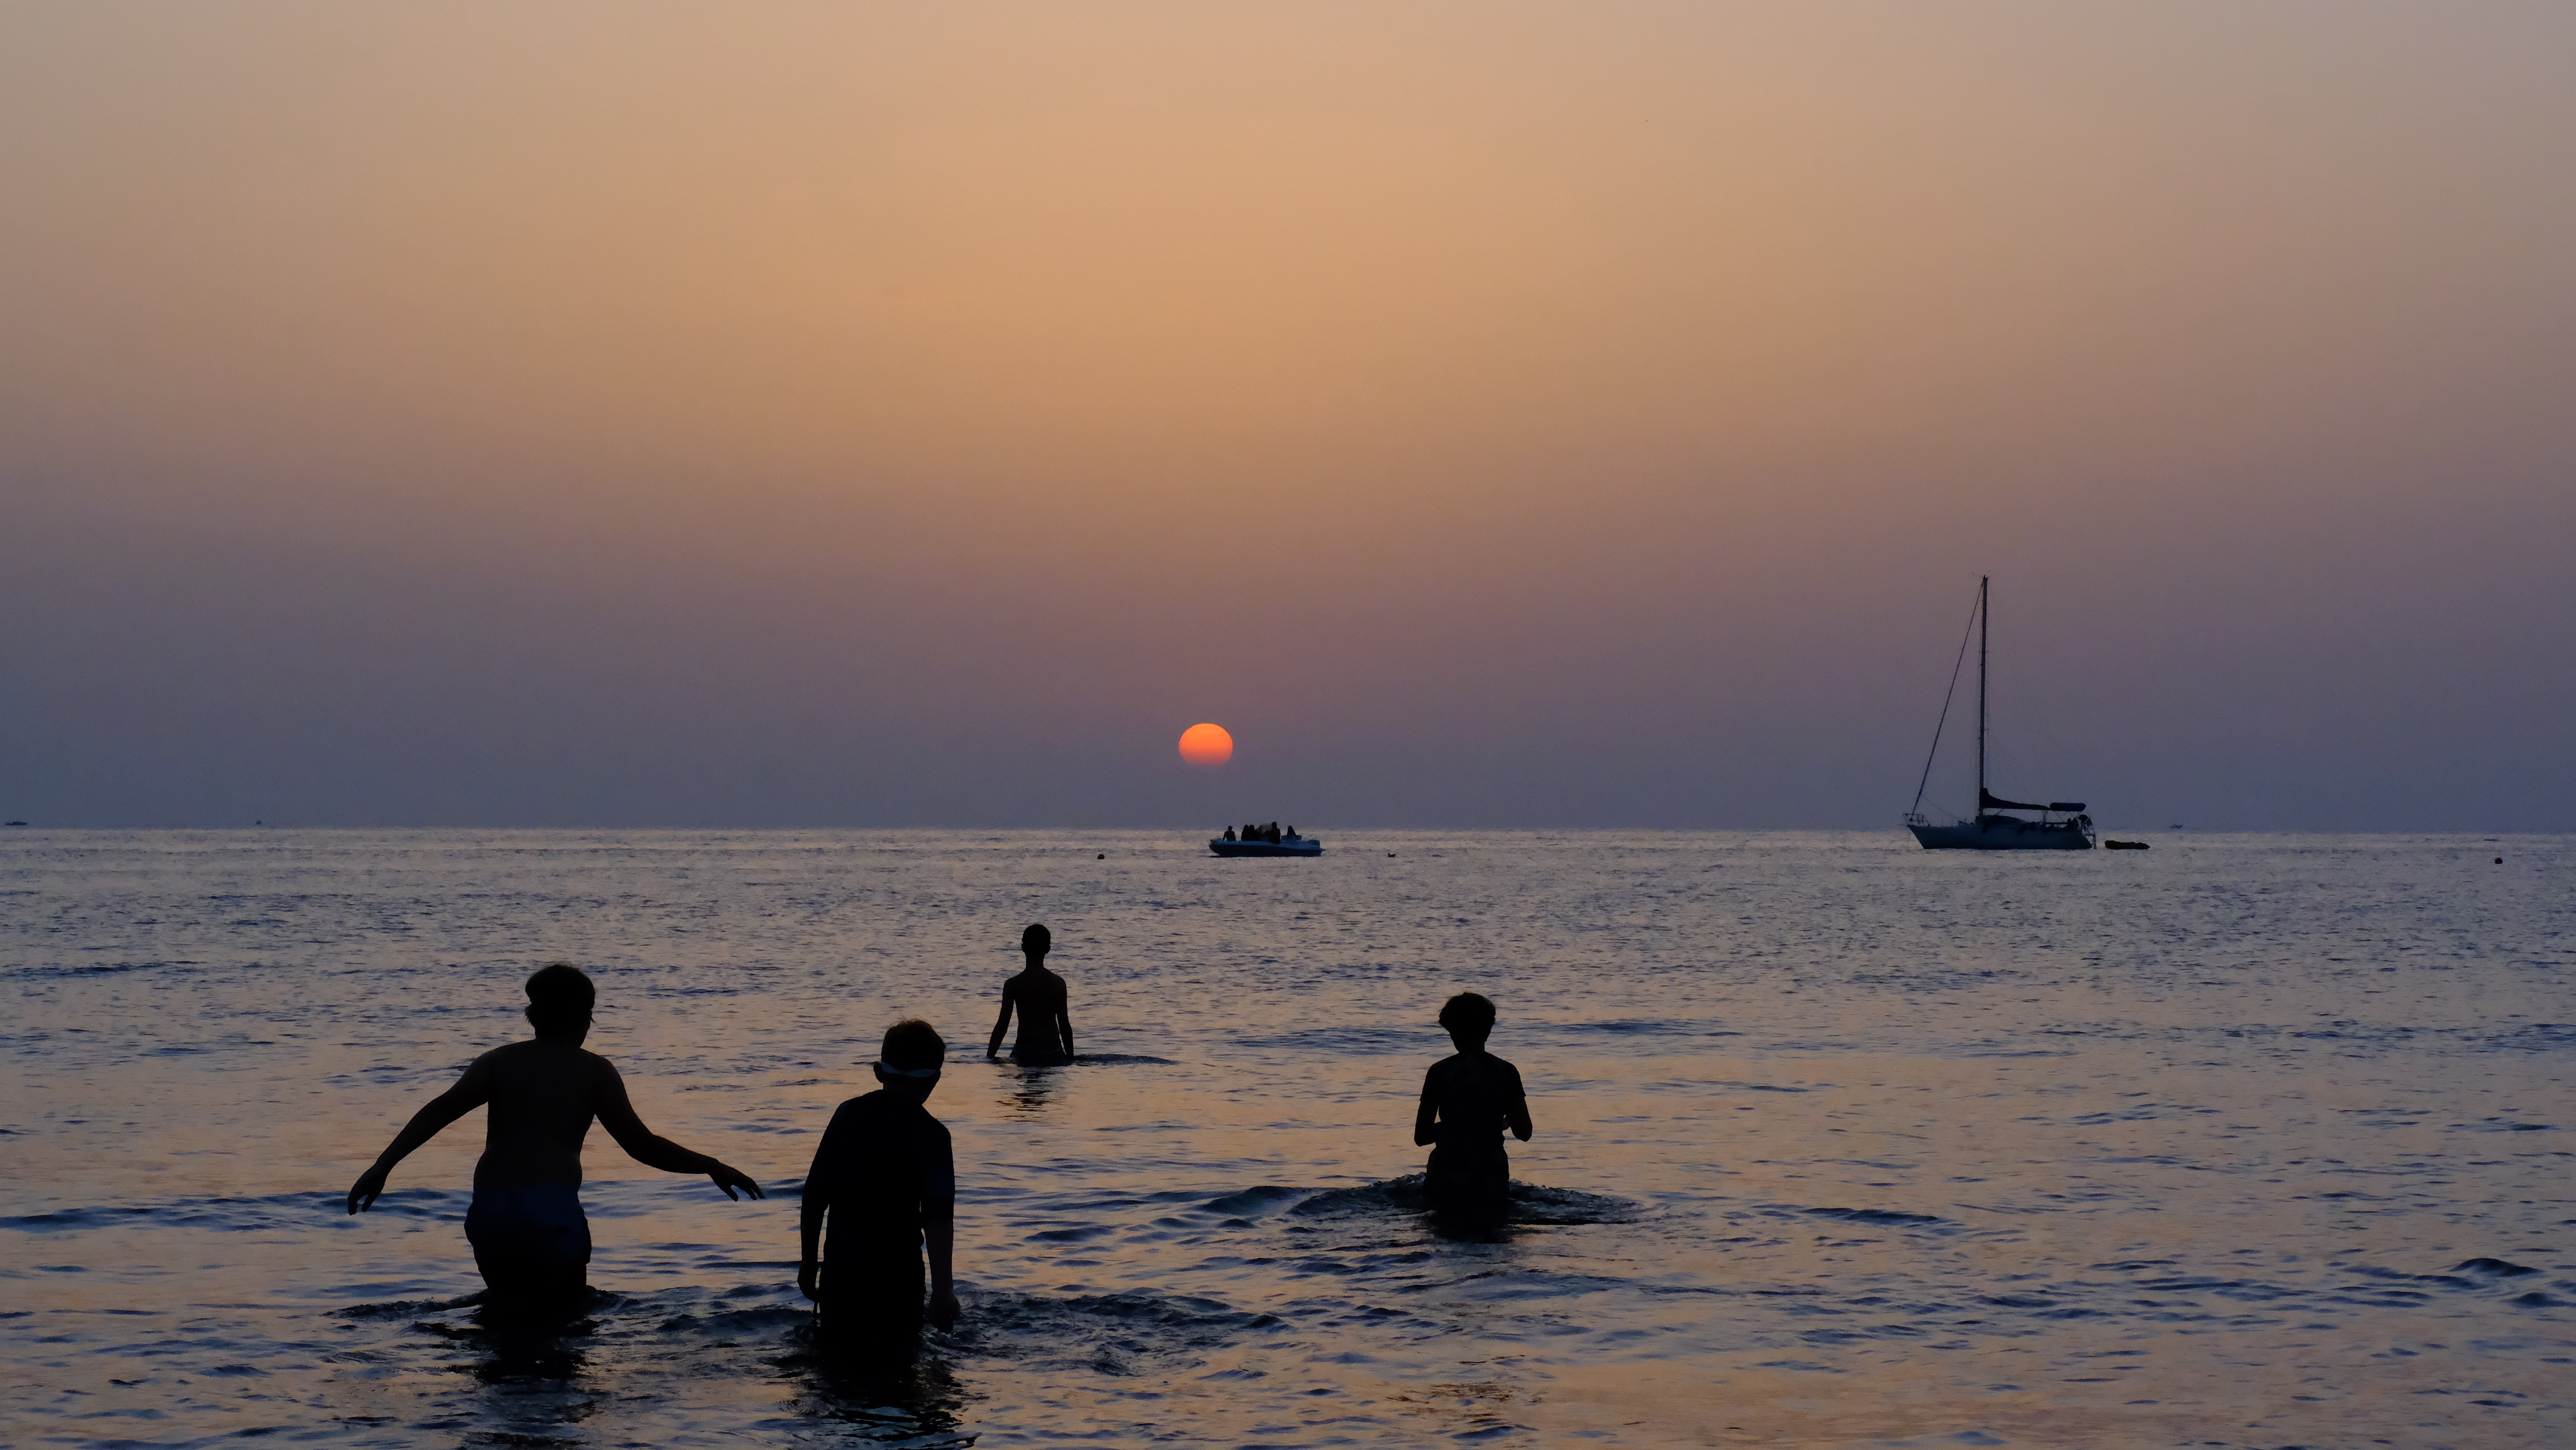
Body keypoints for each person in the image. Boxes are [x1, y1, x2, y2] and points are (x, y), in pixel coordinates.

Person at [344, 963, 766, 1313]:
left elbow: (438, 1110)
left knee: (505, 1320)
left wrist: (384, 1165)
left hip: (491, 1207)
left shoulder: (496, 1061)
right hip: (549, 1208)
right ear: (585, 1015)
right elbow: (641, 1144)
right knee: (563, 1323)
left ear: (534, 1015)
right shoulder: (593, 1069)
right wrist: (711, 1164)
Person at [800, 1019, 960, 1350]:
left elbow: (816, 1195)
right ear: (935, 1080)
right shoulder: (933, 1136)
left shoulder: (847, 1115)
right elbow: (938, 1218)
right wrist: (944, 1291)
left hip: (843, 1272)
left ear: (878, 1072)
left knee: (836, 1367)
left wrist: (808, 1263)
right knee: (900, 1371)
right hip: (899, 1279)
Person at [1412, 992, 1532, 1223]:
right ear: (1488, 1029)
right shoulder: (1507, 1072)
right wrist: (1497, 1124)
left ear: (1452, 1031)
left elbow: (1422, 1136)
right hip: (1491, 1175)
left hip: (1446, 1174)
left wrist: (1454, 1127)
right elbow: (1524, 1133)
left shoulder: (1438, 1072)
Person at [985, 924, 1075, 1066]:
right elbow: (1064, 1024)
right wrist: (1071, 1058)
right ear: (1048, 950)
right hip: (1053, 1050)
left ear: (1023, 948)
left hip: (1024, 1050)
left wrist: (989, 1057)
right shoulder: (1058, 984)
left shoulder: (1013, 985)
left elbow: (1003, 1025)